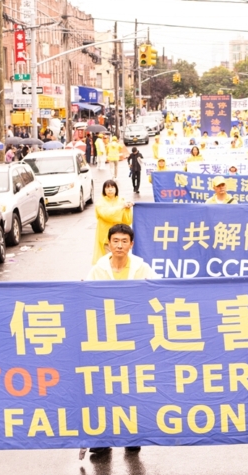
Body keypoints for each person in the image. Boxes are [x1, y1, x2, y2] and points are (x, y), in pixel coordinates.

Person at [84, 224, 154, 457]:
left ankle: (132, 435)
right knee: (104, 387)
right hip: (105, 339)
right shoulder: (98, 270)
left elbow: (158, 295)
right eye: (116, 241)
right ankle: (102, 439)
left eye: (124, 241)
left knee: (132, 387)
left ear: (131, 244)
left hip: (134, 338)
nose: (120, 245)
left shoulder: (143, 269)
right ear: (109, 243)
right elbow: (85, 298)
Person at [92, 180, 133, 264]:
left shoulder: (121, 201)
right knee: (109, 260)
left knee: (121, 260)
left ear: (116, 189)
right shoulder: (100, 203)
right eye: (107, 187)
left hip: (120, 237)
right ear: (104, 190)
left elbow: (127, 220)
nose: (110, 189)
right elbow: (107, 214)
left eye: (112, 187)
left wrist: (127, 209)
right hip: (106, 239)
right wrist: (121, 207)